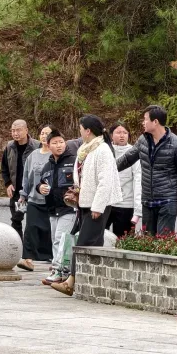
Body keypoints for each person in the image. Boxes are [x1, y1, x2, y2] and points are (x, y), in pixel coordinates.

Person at [52, 115, 122, 296]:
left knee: (83, 243)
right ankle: (92, 282)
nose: (80, 132)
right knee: (94, 244)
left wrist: (98, 207)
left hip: (97, 205)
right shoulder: (86, 149)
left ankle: (71, 282)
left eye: (81, 129)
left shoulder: (103, 150)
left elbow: (105, 181)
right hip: (85, 203)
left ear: (88, 131)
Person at [115, 105, 177, 235]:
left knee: (163, 240)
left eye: (145, 119)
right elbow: (127, 159)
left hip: (168, 200)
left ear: (155, 121)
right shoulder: (143, 140)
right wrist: (107, 169)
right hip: (147, 200)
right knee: (148, 241)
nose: (143, 122)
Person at [38, 129, 77, 285]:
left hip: (69, 208)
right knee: (56, 240)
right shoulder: (47, 166)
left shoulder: (73, 161)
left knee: (62, 239)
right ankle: (59, 271)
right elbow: (41, 183)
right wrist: (39, 188)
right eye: (55, 143)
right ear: (48, 145)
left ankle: (60, 270)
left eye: (61, 142)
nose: (59, 145)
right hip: (53, 209)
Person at [17, 125, 56, 270]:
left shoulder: (56, 155)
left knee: (51, 231)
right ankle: (27, 259)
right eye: (42, 133)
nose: (44, 136)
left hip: (51, 200)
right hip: (34, 199)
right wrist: (23, 194)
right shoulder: (33, 155)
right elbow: (27, 176)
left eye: (48, 133)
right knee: (30, 229)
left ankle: (54, 260)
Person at [1, 119, 40, 238]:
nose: (15, 133)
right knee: (16, 220)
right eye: (13, 130)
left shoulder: (37, 146)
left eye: (18, 130)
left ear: (26, 130)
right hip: (16, 191)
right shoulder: (9, 146)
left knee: (34, 222)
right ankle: (19, 245)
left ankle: (32, 246)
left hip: (33, 190)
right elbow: (4, 167)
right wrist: (8, 183)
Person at [109, 123, 142, 238]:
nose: (122, 135)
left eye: (125, 133)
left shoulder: (133, 152)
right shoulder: (105, 151)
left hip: (126, 204)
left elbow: (138, 180)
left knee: (123, 240)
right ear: (111, 135)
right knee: (101, 239)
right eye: (118, 132)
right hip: (106, 204)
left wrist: (138, 209)